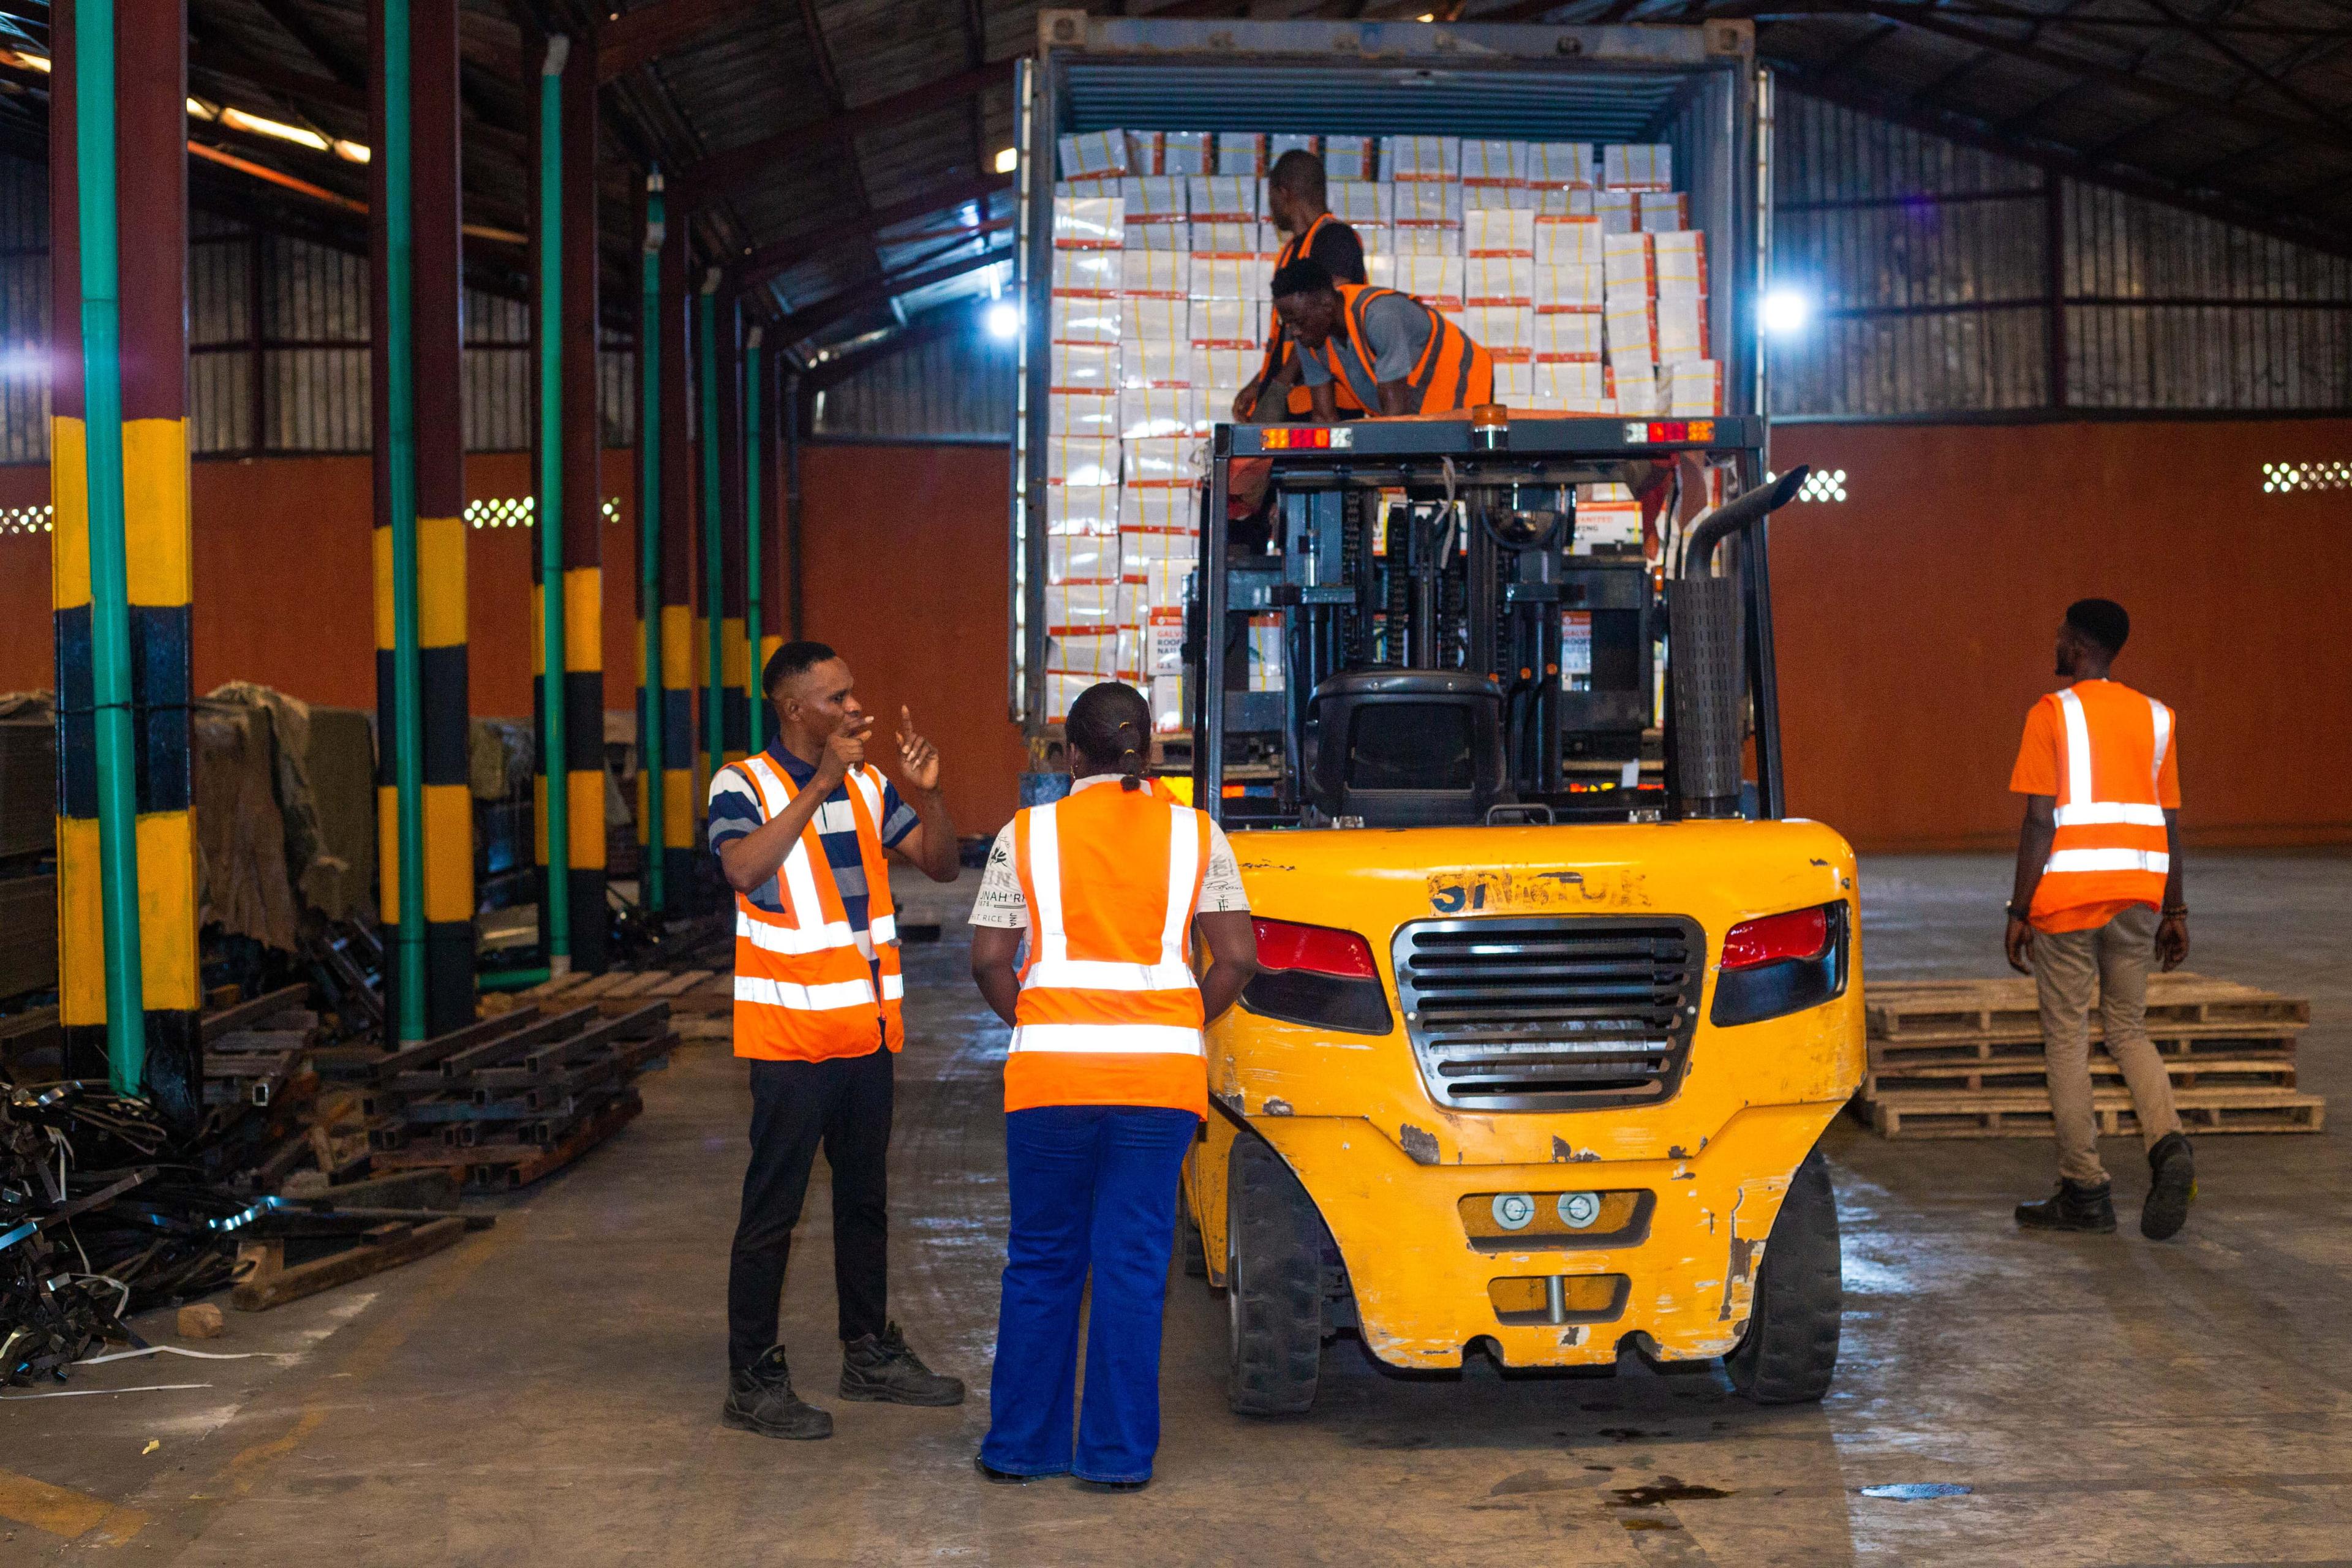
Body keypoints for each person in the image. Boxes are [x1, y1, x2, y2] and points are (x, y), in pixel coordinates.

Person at [966, 683, 1261, 1491]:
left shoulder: (1025, 835)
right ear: (1154, 750)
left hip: (1052, 1074)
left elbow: (991, 959)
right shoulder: (1198, 836)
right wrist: (1175, 1024)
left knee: (1042, 1258)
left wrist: (1032, 1021)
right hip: (1158, 1081)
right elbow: (1236, 957)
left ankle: (1021, 1447)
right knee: (1132, 1262)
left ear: (1070, 757)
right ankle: (1118, 1457)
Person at [709, 640, 966, 1439]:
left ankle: (868, 1354)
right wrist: (817, 784)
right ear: (794, 710)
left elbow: (942, 864)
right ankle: (751, 1379)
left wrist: (930, 798)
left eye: (854, 694)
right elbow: (745, 870)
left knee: (863, 1201)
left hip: (864, 1035)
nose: (858, 709)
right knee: (773, 1210)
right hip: (790, 1039)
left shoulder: (868, 782)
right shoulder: (742, 783)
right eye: (838, 699)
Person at [2003, 599, 2196, 1241]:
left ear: (2079, 644)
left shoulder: (2050, 714)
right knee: (2127, 1028)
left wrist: (2019, 909)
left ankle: (2085, 1188)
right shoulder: (2157, 717)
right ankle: (2168, 1143)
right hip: (2139, 895)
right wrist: (2174, 908)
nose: (2054, 641)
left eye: (2060, 633)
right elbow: (2168, 822)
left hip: (2067, 897)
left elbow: (2038, 820)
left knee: (2067, 1038)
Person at [1234, 149, 1368, 423]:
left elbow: (1322, 319)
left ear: (1284, 193)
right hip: (1298, 405)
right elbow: (1291, 332)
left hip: (1331, 409)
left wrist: (1279, 385)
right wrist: (1260, 383)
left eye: (1270, 196)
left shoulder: (1334, 239)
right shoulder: (1292, 251)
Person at [1270, 257, 1494, 421]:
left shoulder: (1379, 316)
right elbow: (1323, 417)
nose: (1295, 332)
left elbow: (1395, 418)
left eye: (1299, 322)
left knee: (1443, 477)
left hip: (1460, 388)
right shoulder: (1311, 340)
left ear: (1327, 305)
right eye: (1289, 324)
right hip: (1414, 411)